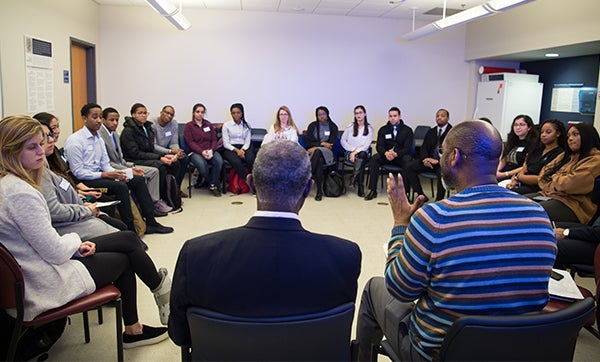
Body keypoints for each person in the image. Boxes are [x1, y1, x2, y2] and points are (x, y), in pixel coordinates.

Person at [356, 120, 556, 361]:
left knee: (372, 289)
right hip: (515, 350)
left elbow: (400, 290)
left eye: (443, 152)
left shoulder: (436, 218)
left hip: (440, 353)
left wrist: (400, 224)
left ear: (454, 157)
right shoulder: (539, 214)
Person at [0, 115, 172, 348]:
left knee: (127, 242)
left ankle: (140, 321)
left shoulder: (9, 184)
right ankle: (149, 309)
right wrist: (74, 242)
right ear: (9, 151)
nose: (41, 151)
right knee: (126, 253)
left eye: (41, 143)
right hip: (42, 283)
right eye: (32, 147)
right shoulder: (22, 193)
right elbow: (55, 251)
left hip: (34, 270)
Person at [168, 140, 362, 347]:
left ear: (251, 184)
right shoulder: (344, 257)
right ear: (308, 188)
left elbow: (181, 336)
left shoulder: (197, 255)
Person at [63, 103, 173, 234]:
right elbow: (78, 172)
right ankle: (131, 230)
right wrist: (105, 175)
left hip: (102, 174)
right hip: (87, 181)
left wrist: (124, 172)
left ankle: (150, 222)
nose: (98, 120)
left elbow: (105, 164)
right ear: (84, 118)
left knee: (137, 179)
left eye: (99, 117)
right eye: (94, 117)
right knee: (121, 187)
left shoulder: (98, 138)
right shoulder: (75, 141)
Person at [37, 120, 124, 240]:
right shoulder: (41, 172)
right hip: (73, 214)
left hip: (79, 199)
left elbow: (69, 178)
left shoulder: (54, 154)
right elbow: (76, 175)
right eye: (46, 137)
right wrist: (85, 204)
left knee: (121, 226)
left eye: (53, 131)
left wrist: (84, 194)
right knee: (124, 234)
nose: (53, 137)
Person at [99, 107, 171, 215]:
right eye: (111, 120)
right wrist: (129, 169)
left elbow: (121, 159)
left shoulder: (114, 134)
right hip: (114, 168)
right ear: (103, 120)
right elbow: (109, 163)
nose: (115, 123)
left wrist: (131, 166)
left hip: (125, 163)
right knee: (150, 171)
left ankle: (153, 203)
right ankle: (148, 209)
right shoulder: (102, 136)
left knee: (154, 171)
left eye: (117, 120)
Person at [533, 123, 600, 224]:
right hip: (549, 195)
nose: (570, 139)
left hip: (573, 205)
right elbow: (542, 176)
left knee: (528, 212)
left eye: (575, 134)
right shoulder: (566, 156)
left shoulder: (595, 160)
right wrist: (558, 183)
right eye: (568, 136)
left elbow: (570, 185)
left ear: (587, 136)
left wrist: (554, 177)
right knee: (516, 203)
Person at [121, 103, 182, 205]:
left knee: (175, 164)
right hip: (133, 160)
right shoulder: (128, 131)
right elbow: (135, 153)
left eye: (145, 113)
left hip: (146, 156)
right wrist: (160, 157)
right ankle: (157, 200)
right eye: (140, 113)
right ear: (133, 115)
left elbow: (151, 147)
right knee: (161, 166)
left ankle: (170, 193)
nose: (143, 115)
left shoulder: (146, 127)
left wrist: (166, 155)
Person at [504, 119, 566, 194]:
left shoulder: (559, 153)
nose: (543, 135)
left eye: (548, 132)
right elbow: (525, 167)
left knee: (508, 195)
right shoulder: (536, 149)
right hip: (522, 183)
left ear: (558, 133)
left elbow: (541, 179)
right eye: (542, 132)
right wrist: (515, 179)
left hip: (538, 189)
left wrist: (520, 177)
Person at [364, 107, 413, 201]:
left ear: (400, 117)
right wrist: (386, 153)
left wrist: (396, 154)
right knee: (374, 159)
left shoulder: (407, 130)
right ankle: (372, 190)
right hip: (386, 155)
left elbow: (407, 148)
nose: (392, 118)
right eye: (390, 116)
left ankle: (405, 193)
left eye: (395, 116)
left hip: (400, 156)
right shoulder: (383, 129)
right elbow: (379, 146)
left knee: (408, 162)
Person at [403, 109, 452, 202]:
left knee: (442, 172)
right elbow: (424, 148)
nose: (439, 118)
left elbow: (452, 152)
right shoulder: (431, 132)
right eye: (437, 116)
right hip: (429, 161)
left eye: (442, 116)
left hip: (442, 163)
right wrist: (425, 159)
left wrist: (438, 161)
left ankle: (439, 200)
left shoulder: (452, 132)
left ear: (448, 118)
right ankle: (421, 195)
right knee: (409, 167)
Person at [183, 103, 223, 197]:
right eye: (197, 112)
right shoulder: (189, 126)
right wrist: (202, 152)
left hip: (210, 150)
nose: (200, 114)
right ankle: (212, 183)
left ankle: (212, 185)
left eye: (202, 112)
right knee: (202, 165)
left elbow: (214, 140)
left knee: (219, 161)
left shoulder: (208, 124)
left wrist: (211, 151)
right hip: (195, 152)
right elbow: (190, 142)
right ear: (193, 113)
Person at [151, 105, 189, 196]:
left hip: (169, 151)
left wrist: (177, 151)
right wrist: (170, 152)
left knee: (184, 158)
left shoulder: (174, 124)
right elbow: (153, 145)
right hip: (155, 152)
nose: (169, 116)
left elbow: (173, 142)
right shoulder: (152, 123)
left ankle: (176, 187)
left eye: (172, 114)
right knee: (174, 164)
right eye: (167, 112)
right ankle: (167, 190)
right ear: (161, 112)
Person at [304, 106, 339, 201]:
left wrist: (318, 146)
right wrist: (321, 144)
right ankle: (319, 191)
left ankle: (308, 176)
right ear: (317, 116)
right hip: (314, 152)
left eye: (323, 114)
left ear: (327, 114)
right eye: (319, 115)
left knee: (318, 151)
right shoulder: (312, 126)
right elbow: (308, 142)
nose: (322, 116)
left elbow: (332, 144)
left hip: (327, 153)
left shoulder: (333, 126)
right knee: (319, 160)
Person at [340, 105, 373, 197]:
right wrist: (353, 150)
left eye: (360, 113)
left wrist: (355, 152)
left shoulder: (369, 129)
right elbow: (343, 141)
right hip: (349, 153)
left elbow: (366, 145)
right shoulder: (350, 127)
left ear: (365, 114)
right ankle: (360, 186)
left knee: (362, 155)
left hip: (362, 153)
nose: (358, 115)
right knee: (361, 159)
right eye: (356, 113)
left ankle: (354, 177)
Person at [496, 114, 537, 181]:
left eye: (522, 125)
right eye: (515, 125)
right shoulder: (511, 141)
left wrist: (505, 174)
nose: (518, 127)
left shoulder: (533, 144)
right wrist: (497, 171)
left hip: (516, 176)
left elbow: (525, 166)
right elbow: (504, 159)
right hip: (503, 173)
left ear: (529, 127)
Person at [221, 102, 255, 181]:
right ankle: (247, 180)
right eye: (233, 113)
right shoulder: (226, 125)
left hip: (244, 147)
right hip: (230, 148)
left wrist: (242, 150)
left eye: (238, 113)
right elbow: (226, 143)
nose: (236, 115)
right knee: (236, 161)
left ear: (242, 113)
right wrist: (237, 151)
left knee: (250, 158)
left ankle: (255, 180)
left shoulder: (247, 125)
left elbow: (247, 142)